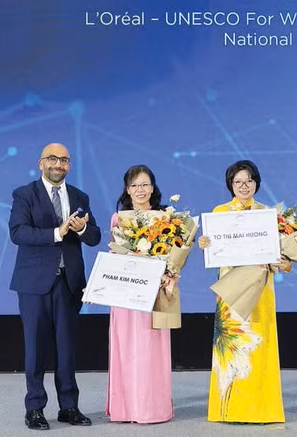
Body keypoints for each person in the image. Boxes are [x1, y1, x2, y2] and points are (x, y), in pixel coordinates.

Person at [8, 143, 101, 430]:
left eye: (63, 160)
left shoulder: (79, 196)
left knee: (66, 349)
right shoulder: (25, 194)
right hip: (34, 284)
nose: (58, 164)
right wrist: (58, 232)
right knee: (35, 349)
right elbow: (18, 232)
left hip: (69, 284)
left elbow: (95, 236)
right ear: (41, 163)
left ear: (69, 165)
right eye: (52, 159)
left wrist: (81, 229)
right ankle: (35, 408)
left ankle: (69, 407)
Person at [198, 160, 291, 423]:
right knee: (234, 347)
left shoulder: (269, 214)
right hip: (232, 289)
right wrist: (206, 243)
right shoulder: (220, 212)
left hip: (262, 288)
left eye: (249, 180)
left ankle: (263, 409)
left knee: (260, 347)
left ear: (256, 183)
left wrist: (283, 260)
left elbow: (285, 257)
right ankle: (230, 408)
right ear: (230, 185)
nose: (244, 186)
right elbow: (216, 251)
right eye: (238, 181)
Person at [105, 165, 174, 423]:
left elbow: (172, 255)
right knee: (126, 347)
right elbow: (114, 255)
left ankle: (153, 408)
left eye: (145, 184)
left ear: (153, 187)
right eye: (135, 185)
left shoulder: (165, 218)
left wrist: (170, 271)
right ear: (127, 190)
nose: (140, 190)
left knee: (152, 347)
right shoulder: (118, 218)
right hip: (126, 295)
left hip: (154, 293)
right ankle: (126, 408)